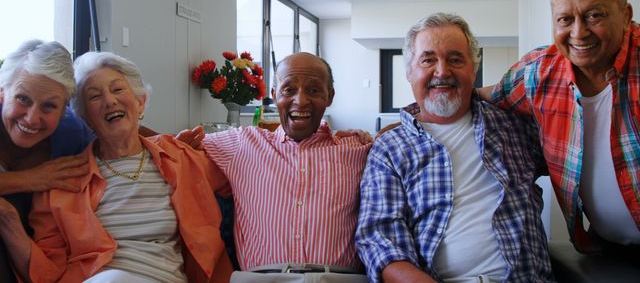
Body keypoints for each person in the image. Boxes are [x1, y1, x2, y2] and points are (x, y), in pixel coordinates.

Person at [0, 51, 233, 282]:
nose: (109, 101)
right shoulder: (62, 182)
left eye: (118, 89)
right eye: (94, 96)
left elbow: (243, 176)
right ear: (84, 119)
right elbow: (48, 274)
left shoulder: (181, 158)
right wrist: (9, 219)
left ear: (140, 103)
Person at [355, 13, 553, 283]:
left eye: (455, 59)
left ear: (474, 68)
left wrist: (492, 92)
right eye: (428, 60)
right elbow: (380, 241)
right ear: (409, 72)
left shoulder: (514, 126)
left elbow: (556, 72)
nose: (442, 71)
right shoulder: (389, 149)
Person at [479, 0, 639, 256]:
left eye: (594, 16)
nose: (579, 33)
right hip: (608, 247)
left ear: (625, 14)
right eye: (565, 19)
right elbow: (488, 95)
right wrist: (412, 119)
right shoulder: (539, 73)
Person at [201, 52, 371, 282]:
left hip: (338, 278)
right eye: (289, 90)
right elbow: (167, 145)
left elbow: (405, 137)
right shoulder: (243, 143)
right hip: (262, 278)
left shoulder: (358, 149)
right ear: (274, 95)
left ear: (329, 96)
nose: (300, 101)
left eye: (313, 90)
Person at [0, 40, 93, 282]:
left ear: (64, 111)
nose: (32, 118)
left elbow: (116, 135)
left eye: (49, 106)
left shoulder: (71, 132)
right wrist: (29, 179)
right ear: (2, 92)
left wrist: (167, 141)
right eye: (23, 99)